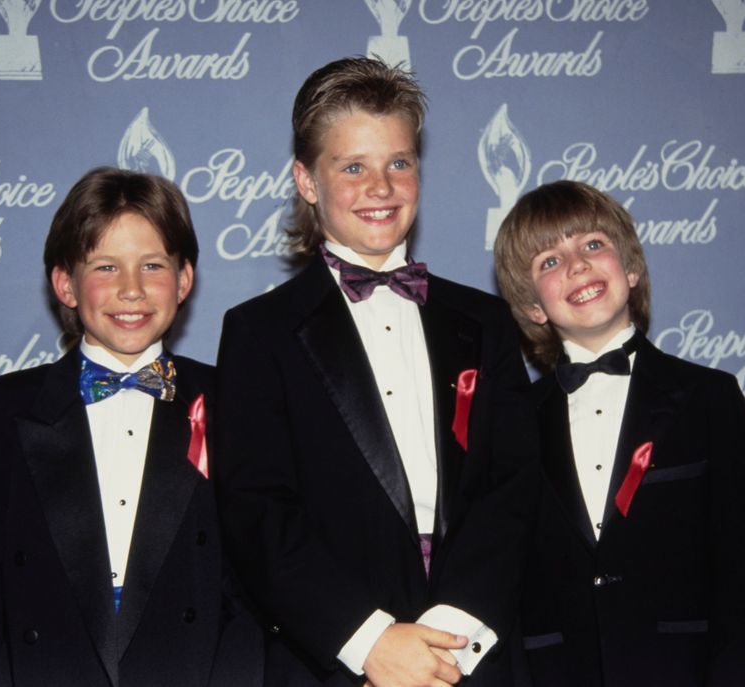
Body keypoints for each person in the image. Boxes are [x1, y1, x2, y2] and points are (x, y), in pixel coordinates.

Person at [215, 56, 539, 687]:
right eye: (352, 166)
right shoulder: (260, 333)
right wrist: (372, 645)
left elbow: (513, 491)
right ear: (307, 181)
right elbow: (257, 513)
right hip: (333, 663)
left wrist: (447, 643)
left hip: (472, 658)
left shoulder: (485, 322)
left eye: (398, 162)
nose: (381, 186)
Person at [0, 167, 260, 687]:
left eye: (152, 265)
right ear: (66, 283)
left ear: (184, 279)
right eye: (106, 266)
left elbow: (255, 600)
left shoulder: (235, 403)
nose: (131, 290)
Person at [494, 180, 745, 687]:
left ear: (631, 268)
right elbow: (506, 593)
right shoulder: (513, 423)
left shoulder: (710, 399)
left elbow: (742, 587)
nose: (577, 265)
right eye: (549, 262)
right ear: (533, 307)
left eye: (593, 245)